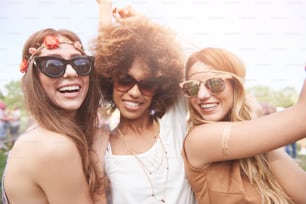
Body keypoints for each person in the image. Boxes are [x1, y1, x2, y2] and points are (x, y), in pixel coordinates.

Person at [94, 1, 195, 203]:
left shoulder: (173, 121)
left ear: (159, 86)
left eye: (147, 83)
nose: (134, 92)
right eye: (125, 80)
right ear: (110, 81)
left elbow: (197, 60)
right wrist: (104, 10)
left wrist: (145, 25)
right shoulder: (102, 148)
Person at [180, 47, 306, 204]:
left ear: (236, 86)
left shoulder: (256, 145)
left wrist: (252, 123)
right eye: (192, 87)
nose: (201, 95)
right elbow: (302, 119)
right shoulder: (199, 139)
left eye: (215, 83)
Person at [2, 28, 108, 204]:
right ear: (34, 78)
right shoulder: (55, 147)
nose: (71, 73)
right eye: (53, 65)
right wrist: (97, 164)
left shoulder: (43, 133)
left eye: (80, 64)